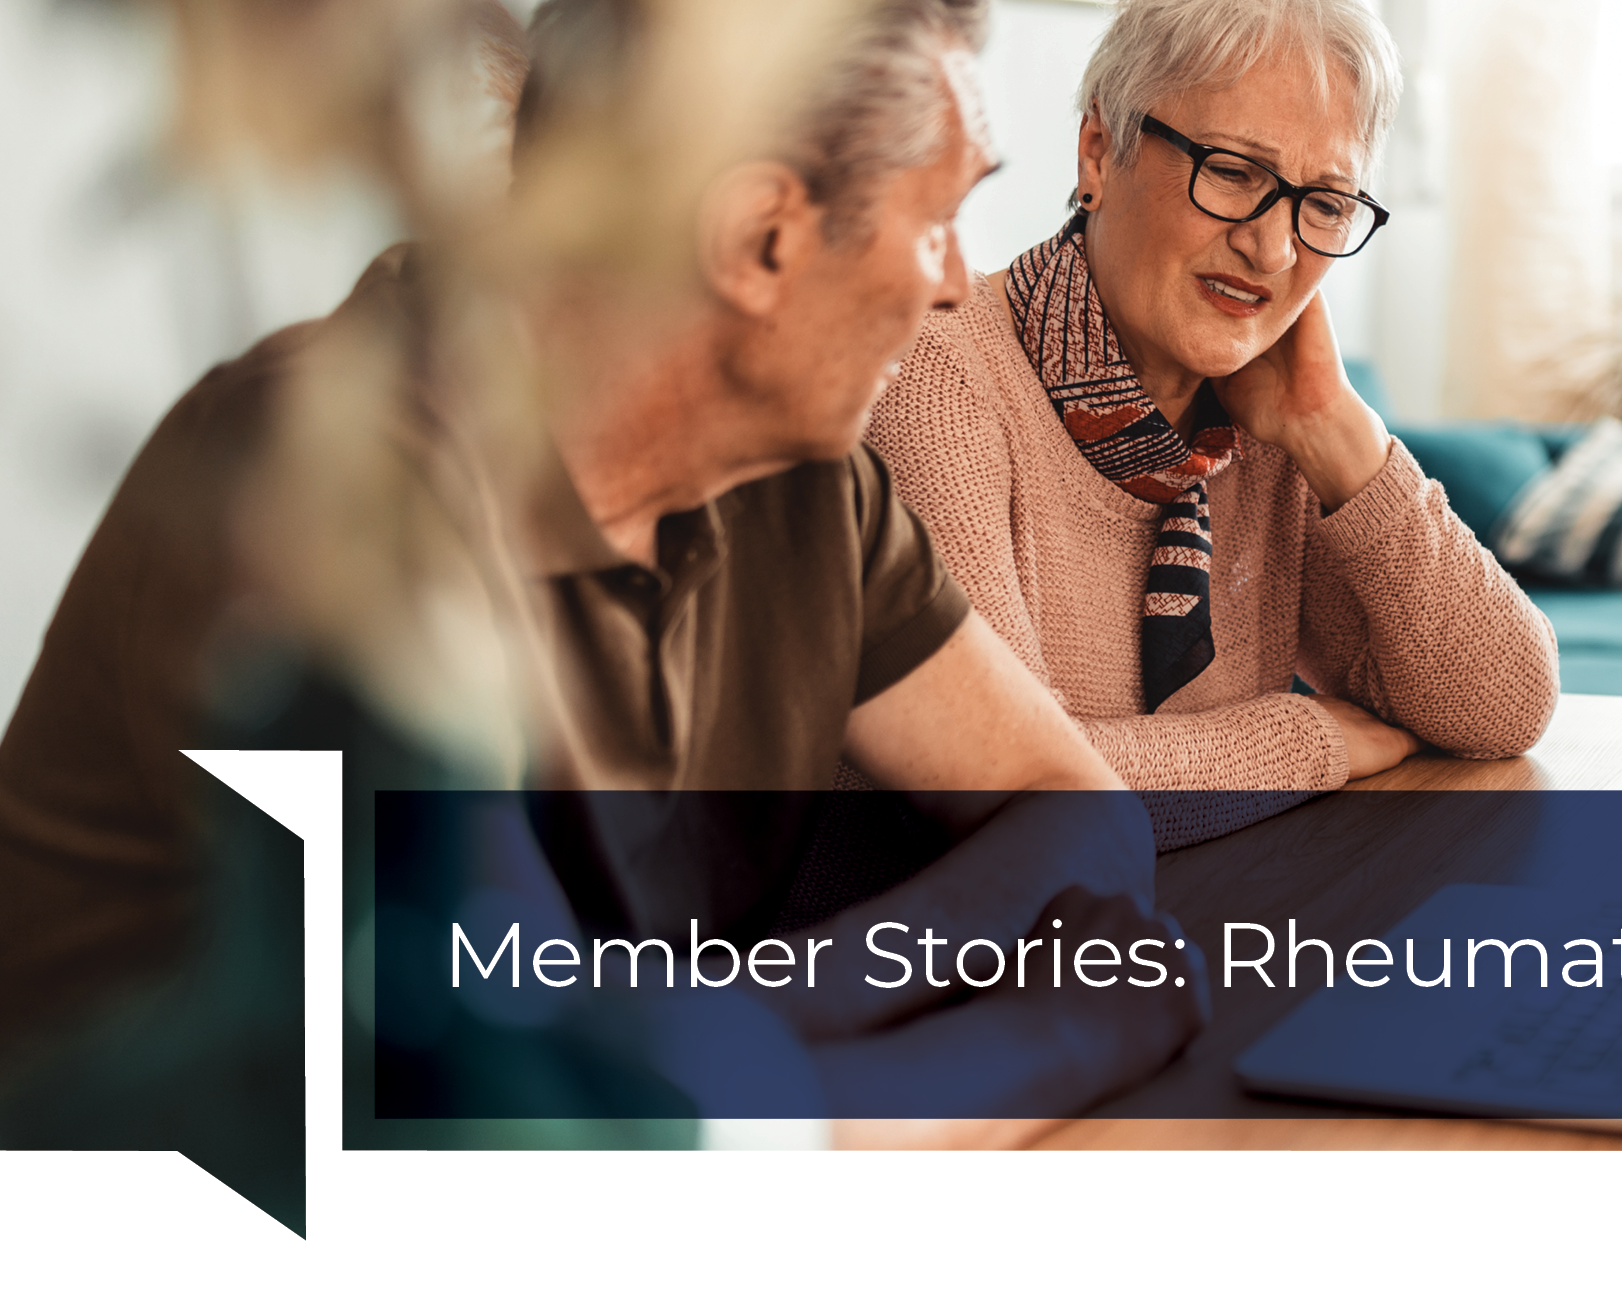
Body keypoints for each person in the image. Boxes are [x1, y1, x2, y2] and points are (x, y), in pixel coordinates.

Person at [0, 0, 1201, 1181]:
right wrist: (1066, 1029)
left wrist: (741, 1015)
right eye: (938, 218)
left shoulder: (799, 480)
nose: (954, 283)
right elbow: (550, 1142)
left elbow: (1074, 810)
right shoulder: (325, 482)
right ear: (760, 241)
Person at [863, 0, 1559, 850]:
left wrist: (1334, 426)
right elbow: (1002, 794)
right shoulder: (933, 374)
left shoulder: (1260, 418)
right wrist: (1310, 740)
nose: (1271, 251)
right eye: (1233, 171)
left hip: (1201, 928)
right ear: (1098, 152)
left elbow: (1502, 702)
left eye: (1327, 203)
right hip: (948, 969)